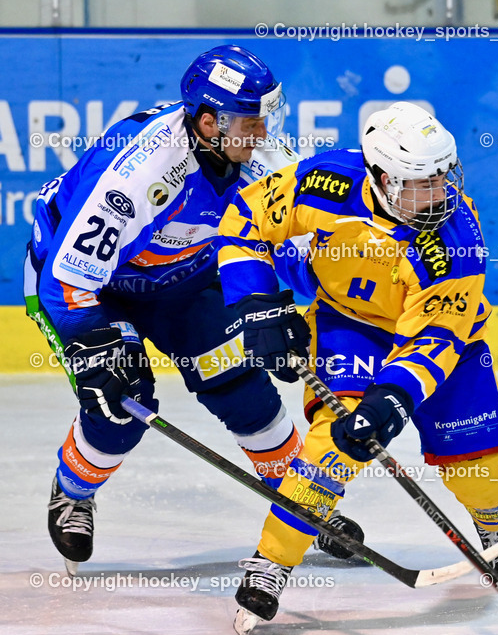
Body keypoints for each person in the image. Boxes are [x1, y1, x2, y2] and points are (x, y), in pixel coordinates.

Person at [217, 101, 498, 634]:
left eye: (440, 178)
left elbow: (435, 337)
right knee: (330, 449)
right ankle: (272, 562)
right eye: (419, 183)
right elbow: (245, 219)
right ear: (381, 177)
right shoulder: (323, 181)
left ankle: (497, 523)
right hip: (349, 324)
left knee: (479, 466)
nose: (437, 196)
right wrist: (257, 307)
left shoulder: (455, 240)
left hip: (443, 340)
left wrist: (390, 400)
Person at [25, 45, 309, 575]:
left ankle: (301, 505)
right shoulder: (137, 175)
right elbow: (68, 278)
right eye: (253, 121)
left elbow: (288, 243)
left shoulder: (259, 158)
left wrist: (279, 309)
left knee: (240, 383)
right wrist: (91, 349)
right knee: (122, 403)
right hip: (90, 287)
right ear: (209, 122)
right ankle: (73, 492)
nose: (265, 134)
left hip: (184, 277)